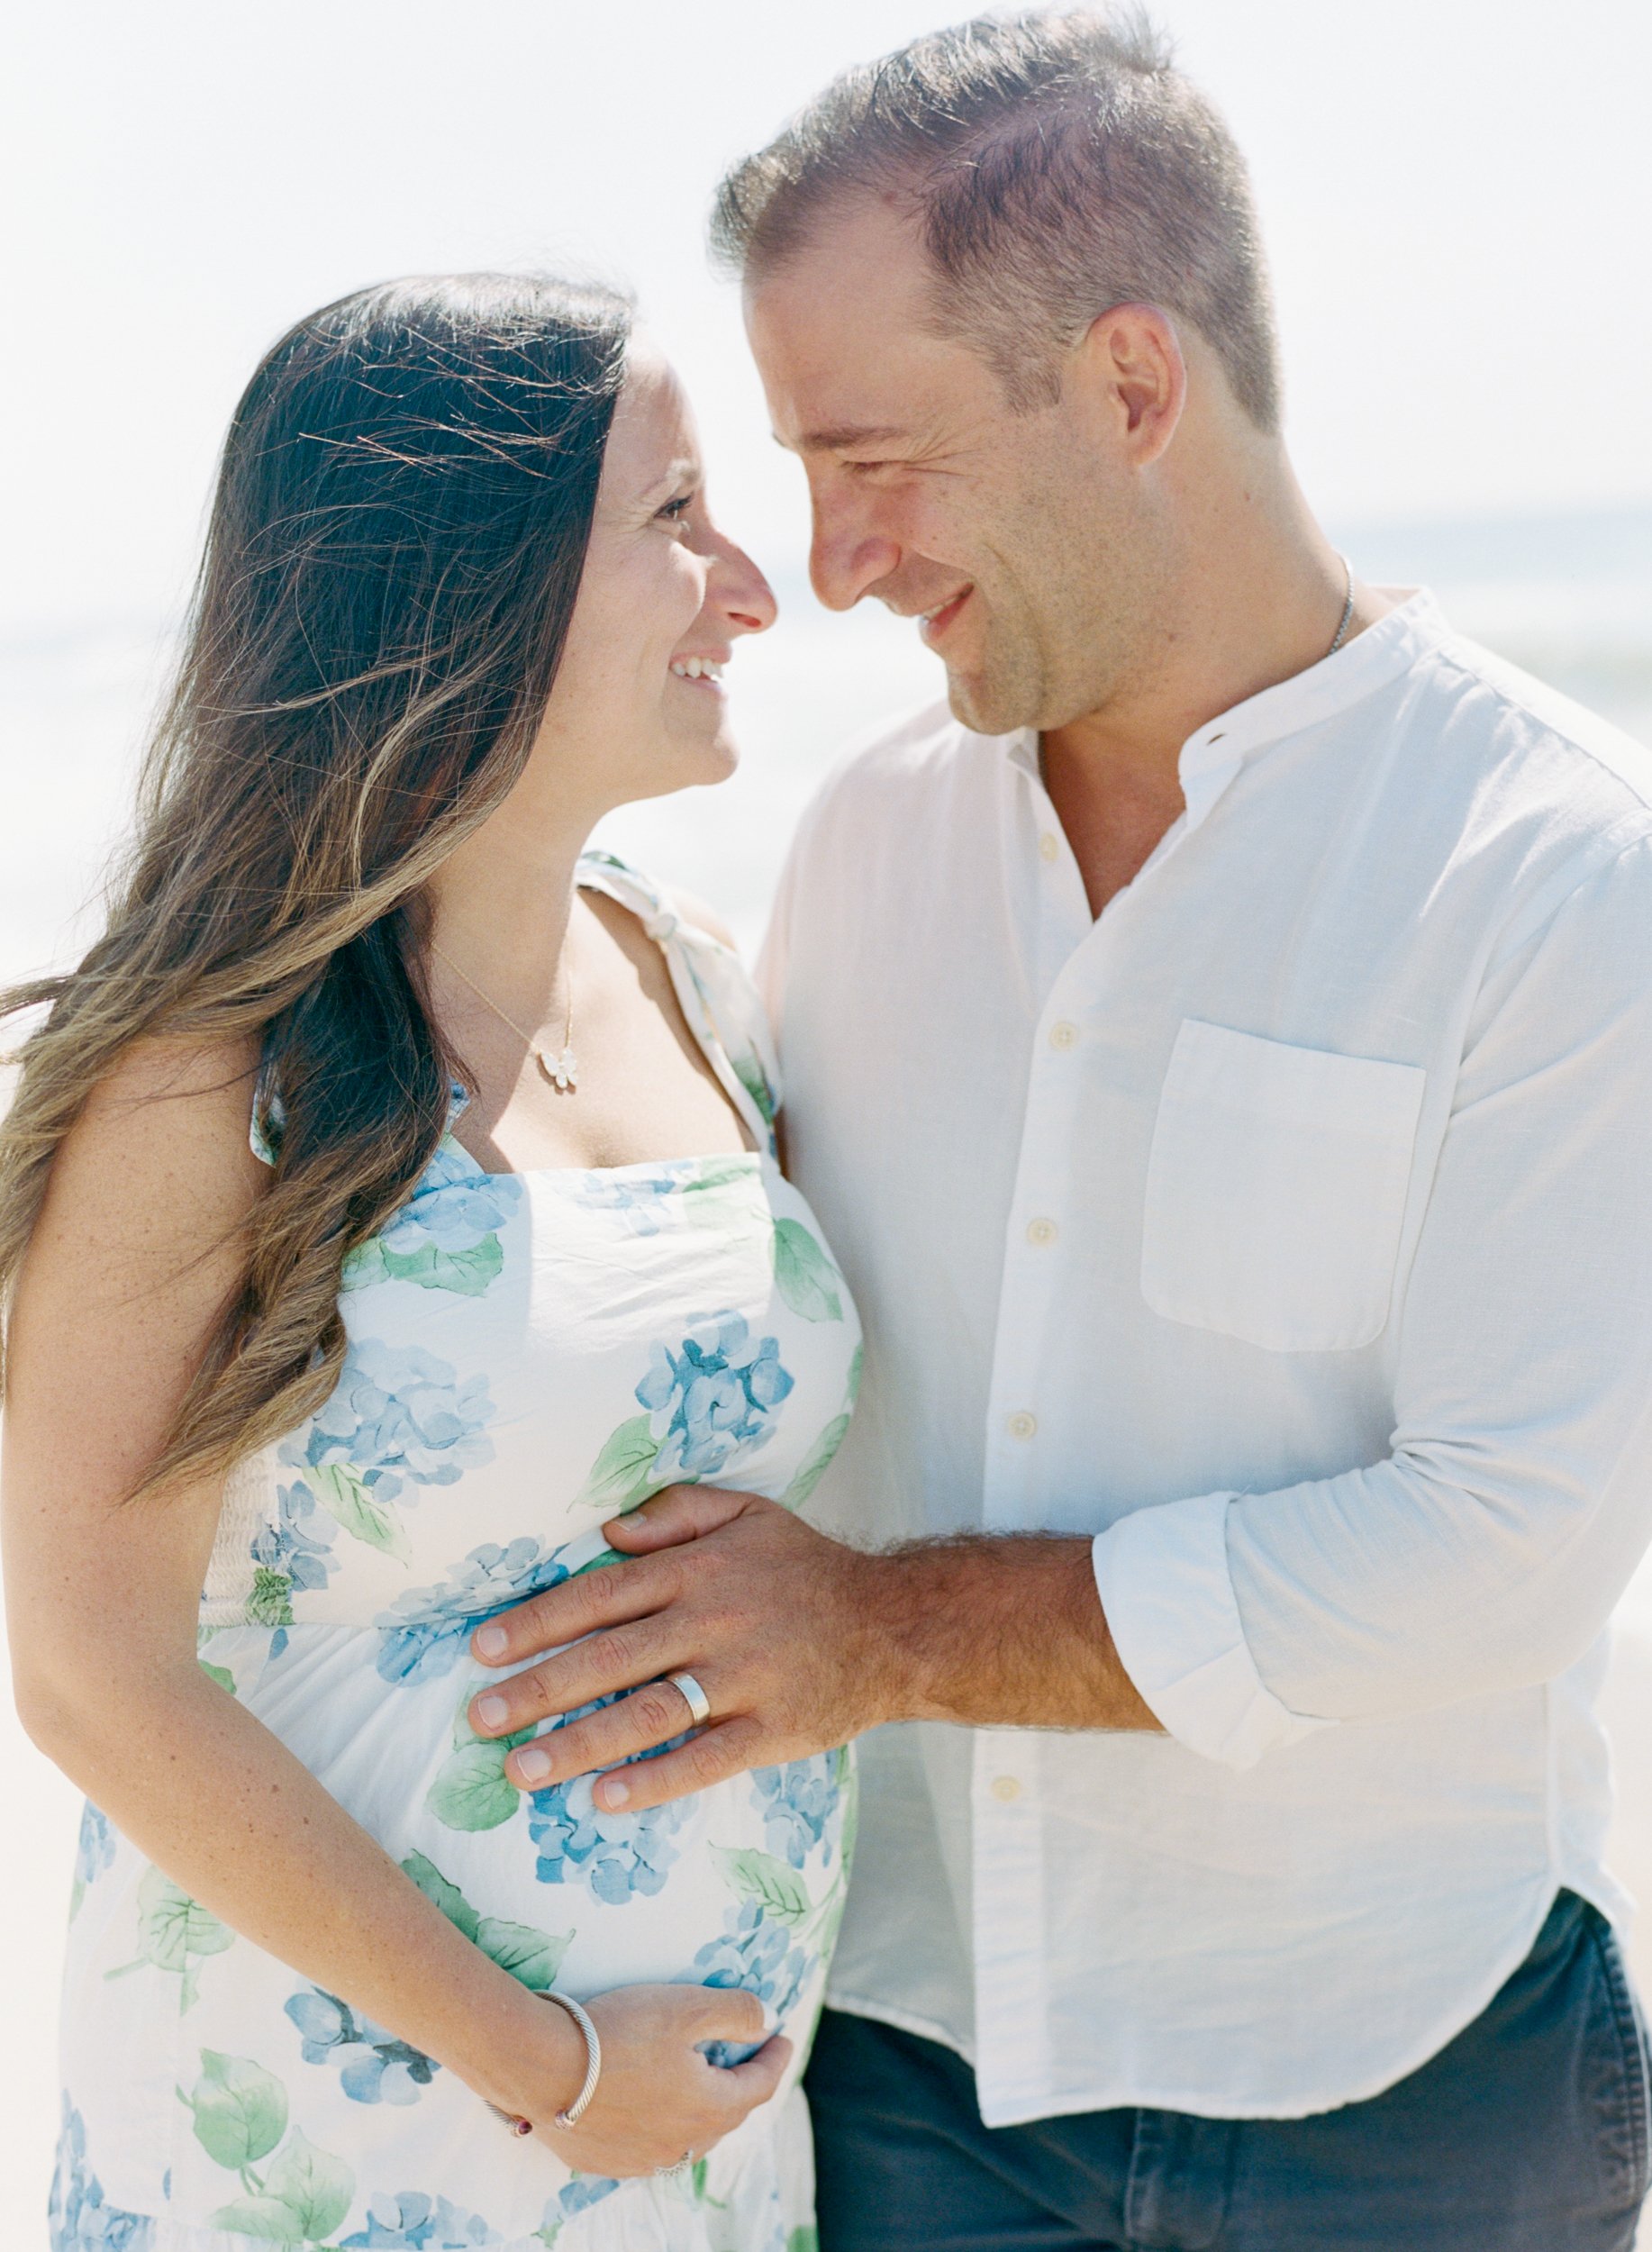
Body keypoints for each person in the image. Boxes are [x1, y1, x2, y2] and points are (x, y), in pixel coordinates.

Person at [457, 14, 1652, 2250]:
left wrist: (880, 1634)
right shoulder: (862, 854)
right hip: (909, 2072)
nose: (826, 565)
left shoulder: (1558, 872)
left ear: (1125, 384)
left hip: (1401, 2084)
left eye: (872, 457)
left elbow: (1502, 1542)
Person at [1, 272, 864, 2252]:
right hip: (346, 2134)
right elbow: (91, 1675)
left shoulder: (690, 974)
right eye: (671, 518)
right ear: (458, 591)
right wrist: (543, 2060)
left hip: (697, 2136)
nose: (750, 587)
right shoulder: (198, 1074)